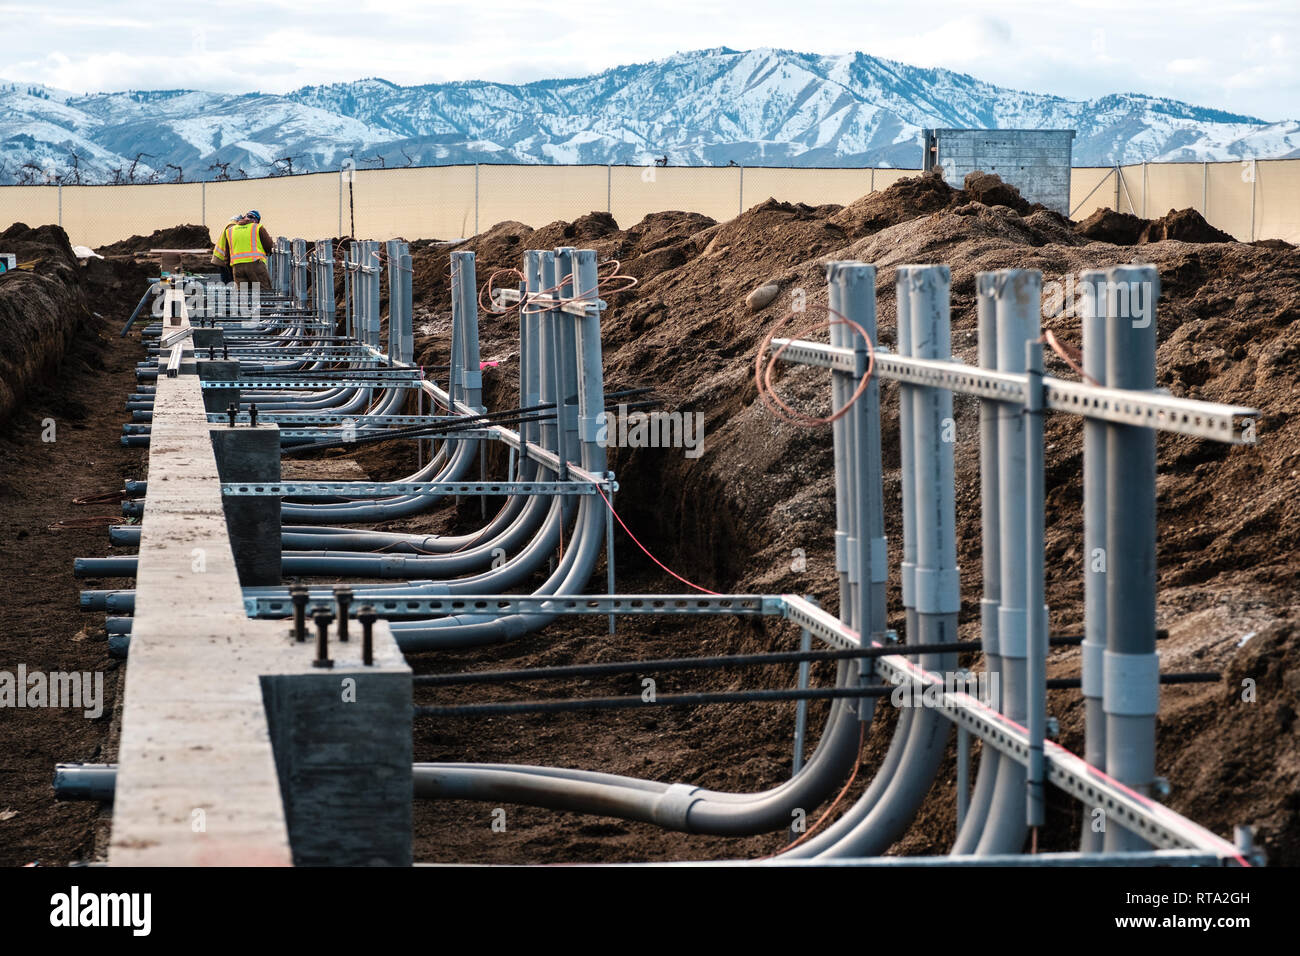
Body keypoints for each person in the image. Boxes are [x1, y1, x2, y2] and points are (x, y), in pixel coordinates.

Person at [212, 210, 274, 289]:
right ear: (256, 221)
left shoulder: (231, 230)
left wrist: (231, 268)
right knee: (263, 291)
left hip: (237, 267)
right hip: (255, 264)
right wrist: (267, 253)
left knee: (242, 296)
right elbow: (268, 246)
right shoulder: (257, 227)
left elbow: (227, 254)